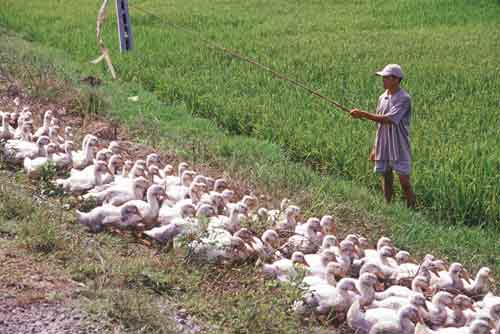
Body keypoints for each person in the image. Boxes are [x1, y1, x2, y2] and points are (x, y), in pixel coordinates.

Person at [350, 64, 416, 208]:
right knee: (386, 176)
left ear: (396, 79)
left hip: (399, 144)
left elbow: (389, 119)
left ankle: (412, 209)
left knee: (404, 181)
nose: (383, 80)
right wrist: (375, 147)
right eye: (383, 77)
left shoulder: (404, 98)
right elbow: (379, 124)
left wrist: (363, 114)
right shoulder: (382, 97)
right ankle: (388, 207)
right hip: (383, 142)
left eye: (386, 77)